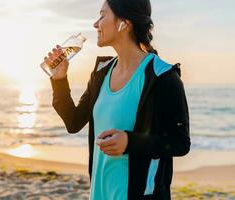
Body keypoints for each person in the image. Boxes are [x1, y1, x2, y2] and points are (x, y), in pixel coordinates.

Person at [43, 0, 190, 199]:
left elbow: (179, 142)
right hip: (100, 192)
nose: (96, 24)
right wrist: (59, 80)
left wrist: (130, 142)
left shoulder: (162, 77)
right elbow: (73, 121)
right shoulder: (101, 73)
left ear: (124, 22)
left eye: (102, 15)